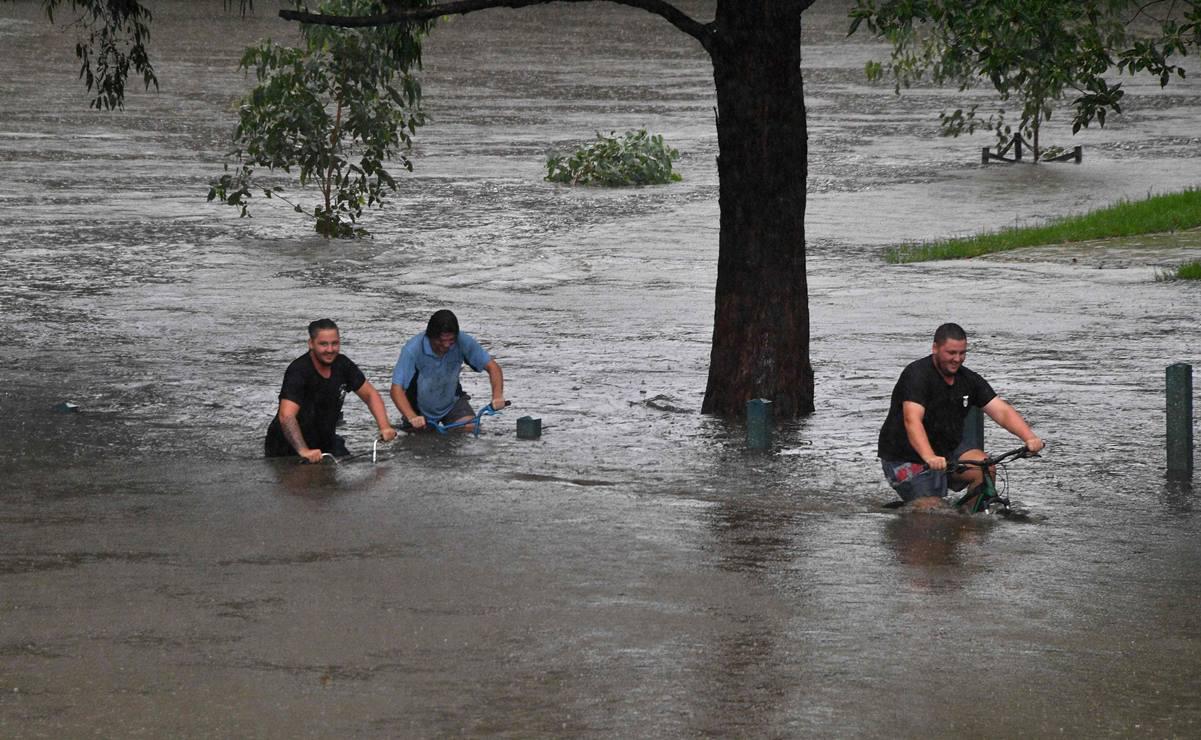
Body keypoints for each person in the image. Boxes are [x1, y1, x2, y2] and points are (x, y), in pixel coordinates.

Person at [878, 322, 1044, 510]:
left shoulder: (968, 379)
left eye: (962, 353)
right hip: (905, 458)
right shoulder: (917, 375)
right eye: (951, 353)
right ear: (935, 348)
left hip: (945, 451)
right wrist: (929, 456)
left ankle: (971, 525)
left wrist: (1029, 437)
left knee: (985, 468)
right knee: (932, 513)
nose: (957, 359)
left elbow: (1001, 411)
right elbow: (912, 420)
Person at [265, 319, 397, 463]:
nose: (330, 349)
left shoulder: (343, 365)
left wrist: (384, 426)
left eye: (335, 343)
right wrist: (303, 450)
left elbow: (370, 395)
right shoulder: (298, 371)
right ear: (311, 344)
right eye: (323, 344)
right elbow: (286, 416)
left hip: (324, 441)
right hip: (287, 447)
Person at [390, 309, 505, 432]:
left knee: (470, 428)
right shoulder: (412, 349)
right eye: (440, 341)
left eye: (451, 341)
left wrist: (497, 396)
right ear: (430, 336)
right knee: (421, 445)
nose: (446, 346)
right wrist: (411, 416)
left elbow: (493, 368)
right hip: (419, 410)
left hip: (452, 402)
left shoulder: (462, 341)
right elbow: (396, 390)